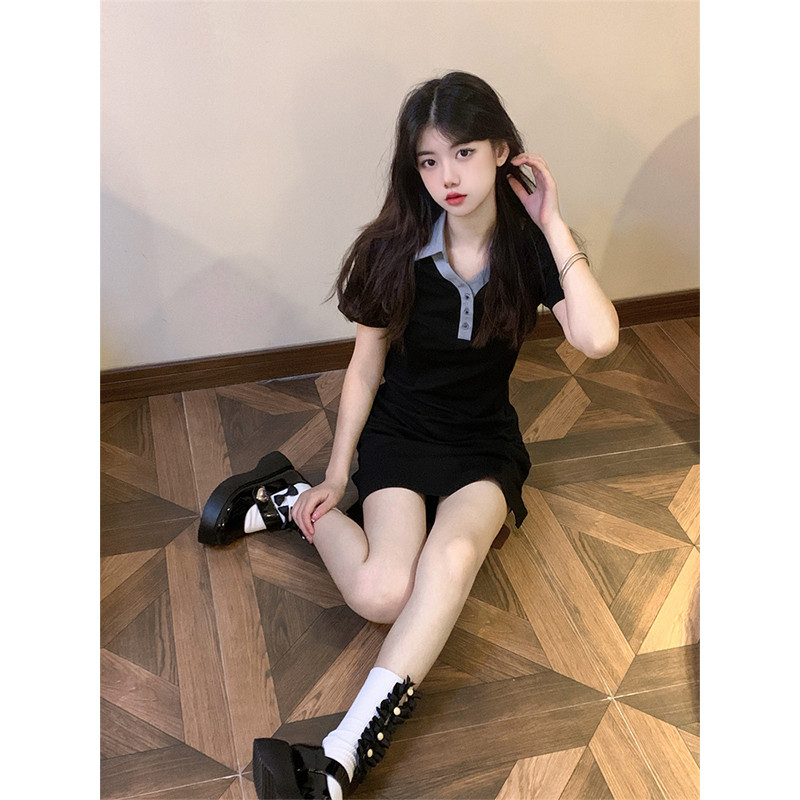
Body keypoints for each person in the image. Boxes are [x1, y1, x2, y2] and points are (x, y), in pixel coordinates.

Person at [198, 71, 619, 799]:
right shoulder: (392, 249)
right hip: (402, 433)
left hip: (482, 447)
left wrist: (553, 223)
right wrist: (337, 475)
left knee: (452, 556)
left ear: (502, 152)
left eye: (464, 153)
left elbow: (599, 339)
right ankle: (290, 495)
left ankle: (342, 756)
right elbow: (365, 370)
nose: (447, 177)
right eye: (429, 160)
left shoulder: (529, 247)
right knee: (383, 593)